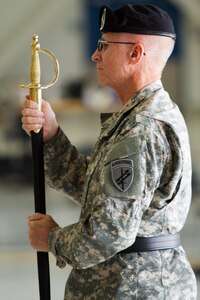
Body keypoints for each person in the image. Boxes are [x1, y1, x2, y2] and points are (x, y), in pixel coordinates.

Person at [21, 4, 197, 299]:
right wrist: (51, 136)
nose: (95, 55)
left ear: (135, 54)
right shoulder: (139, 117)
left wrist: (52, 239)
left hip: (134, 287)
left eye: (104, 45)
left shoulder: (142, 128)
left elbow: (107, 233)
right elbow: (98, 193)